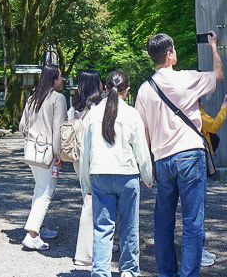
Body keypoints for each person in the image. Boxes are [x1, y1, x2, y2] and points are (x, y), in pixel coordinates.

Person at [135, 31, 224, 277]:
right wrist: (214, 47)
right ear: (170, 54)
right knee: (193, 222)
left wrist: (147, 165)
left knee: (163, 222)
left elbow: (142, 131)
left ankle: (166, 273)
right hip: (189, 155)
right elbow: (219, 75)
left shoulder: (144, 89)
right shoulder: (187, 78)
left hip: (162, 159)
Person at [78, 70, 154, 277]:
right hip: (127, 175)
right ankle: (128, 270)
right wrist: (148, 177)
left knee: (102, 227)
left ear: (104, 87)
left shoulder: (92, 115)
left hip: (100, 174)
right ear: (127, 90)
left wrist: (85, 184)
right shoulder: (132, 114)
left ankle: (101, 272)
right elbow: (142, 151)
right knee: (129, 225)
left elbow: (84, 153)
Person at [18, 63, 69, 250]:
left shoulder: (32, 98)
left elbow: (22, 126)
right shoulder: (58, 98)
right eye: (60, 76)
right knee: (46, 192)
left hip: (31, 150)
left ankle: (38, 226)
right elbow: (59, 130)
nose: (62, 80)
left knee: (39, 188)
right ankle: (32, 234)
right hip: (47, 151)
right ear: (53, 79)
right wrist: (59, 154)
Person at [71, 69, 104, 267]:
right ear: (96, 84)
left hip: (78, 159)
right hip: (93, 158)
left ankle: (100, 243)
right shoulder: (97, 107)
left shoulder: (75, 107)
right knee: (91, 204)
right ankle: (84, 254)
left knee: (91, 200)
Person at [197, 94, 227, 268]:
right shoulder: (192, 105)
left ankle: (197, 249)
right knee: (196, 210)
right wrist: (224, 108)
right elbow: (213, 125)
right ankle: (196, 252)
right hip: (193, 160)